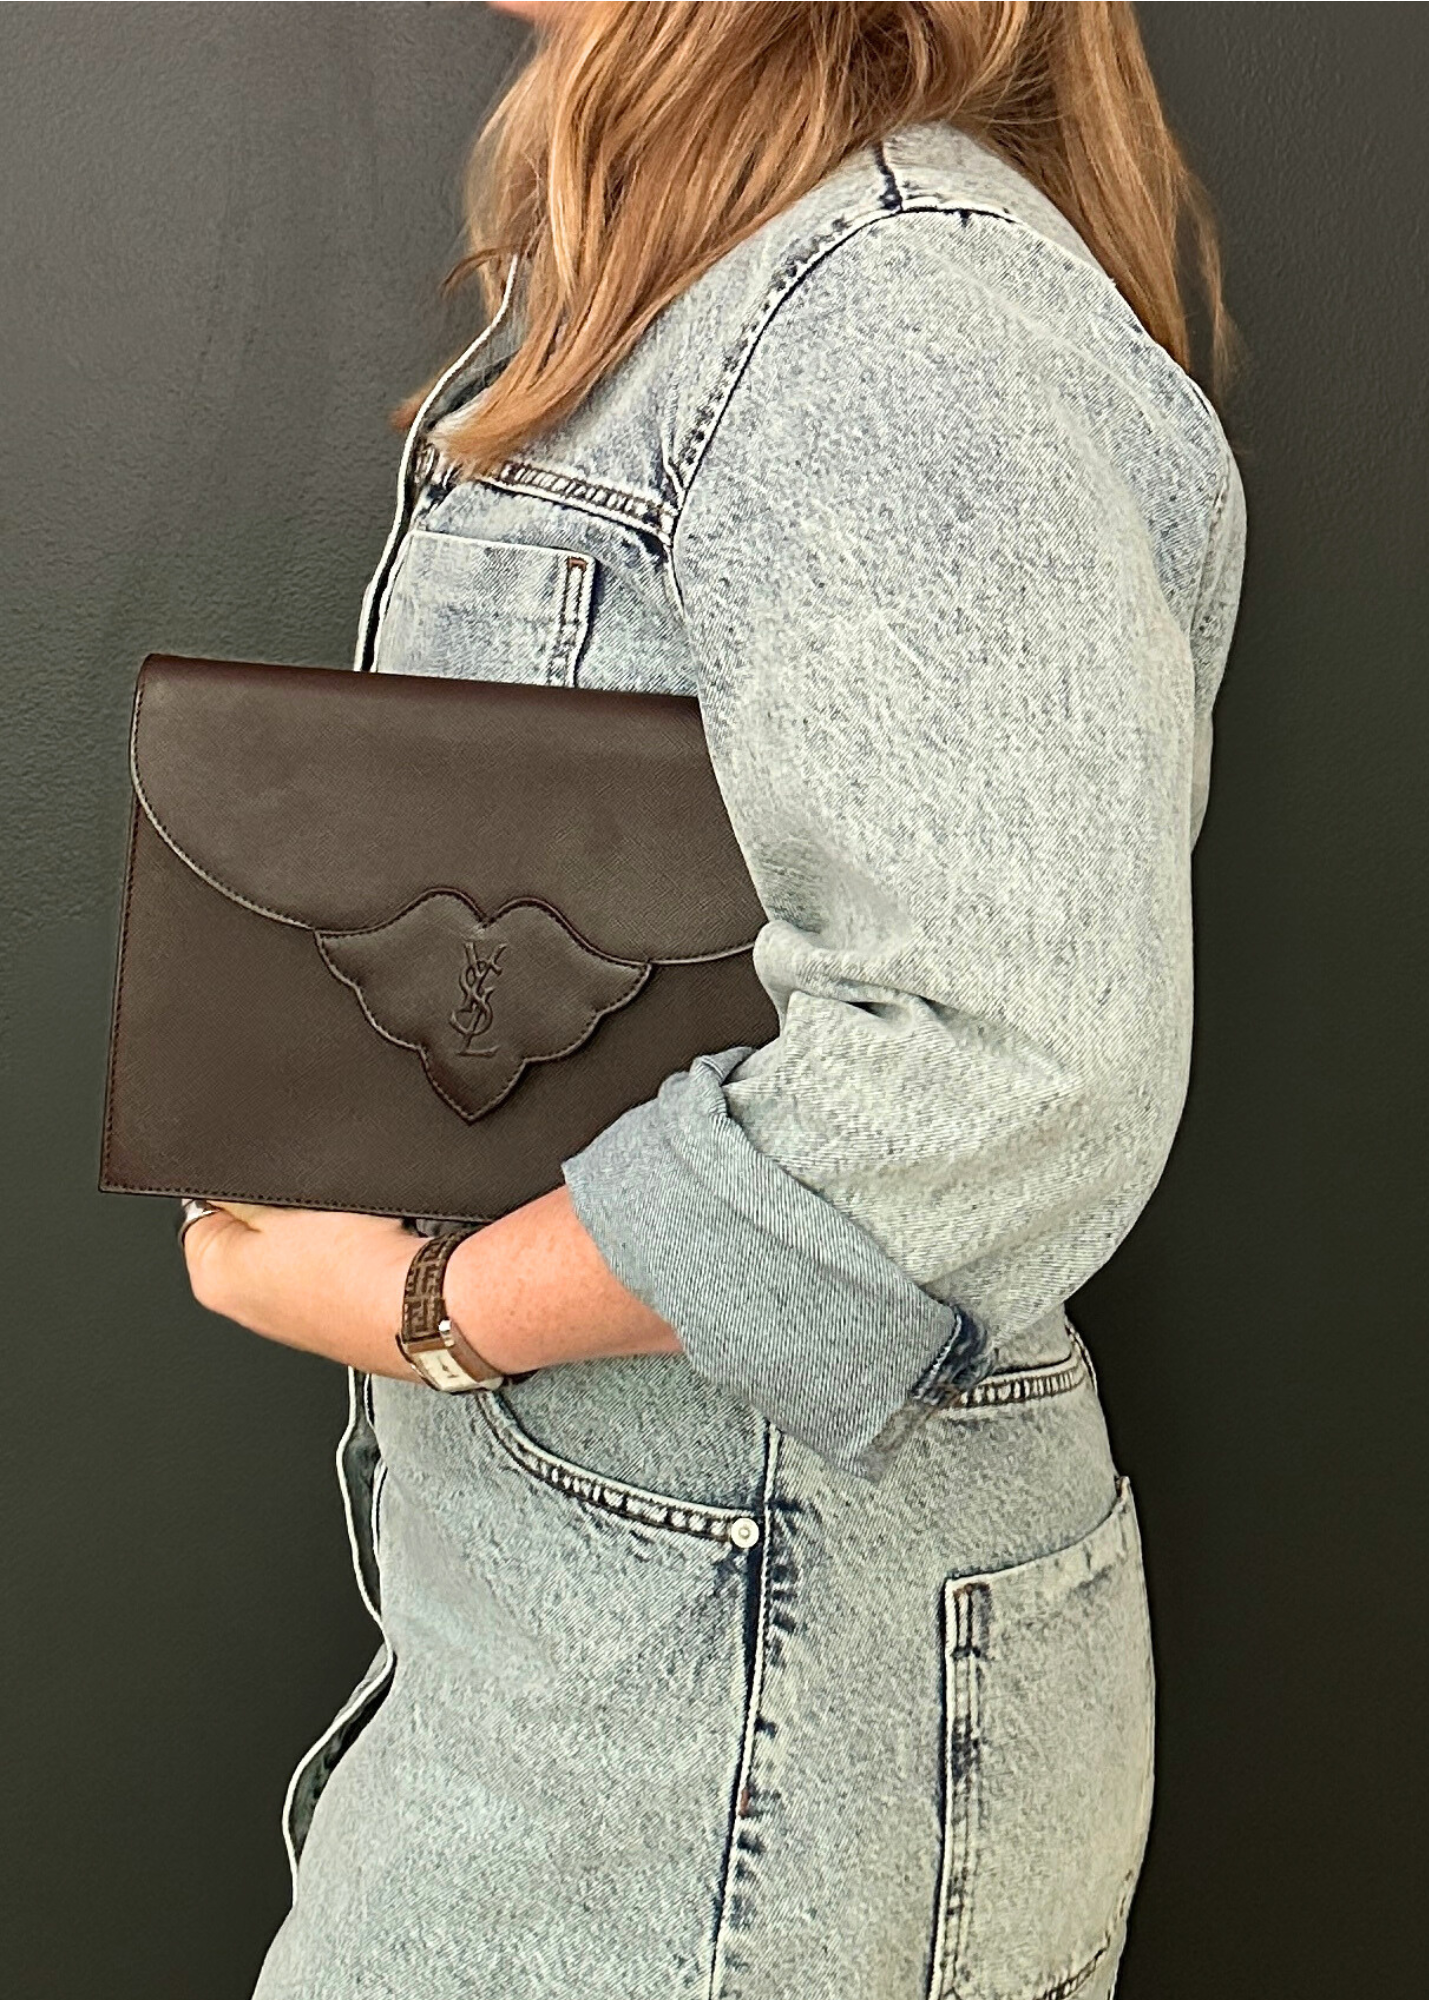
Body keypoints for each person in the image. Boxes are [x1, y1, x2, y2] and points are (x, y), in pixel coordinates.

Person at [181, 5, 1247, 1995]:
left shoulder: (892, 312)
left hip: (743, 1741)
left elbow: (1007, 1068)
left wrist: (432, 1312)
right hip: (645, 1698)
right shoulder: (724, 284)